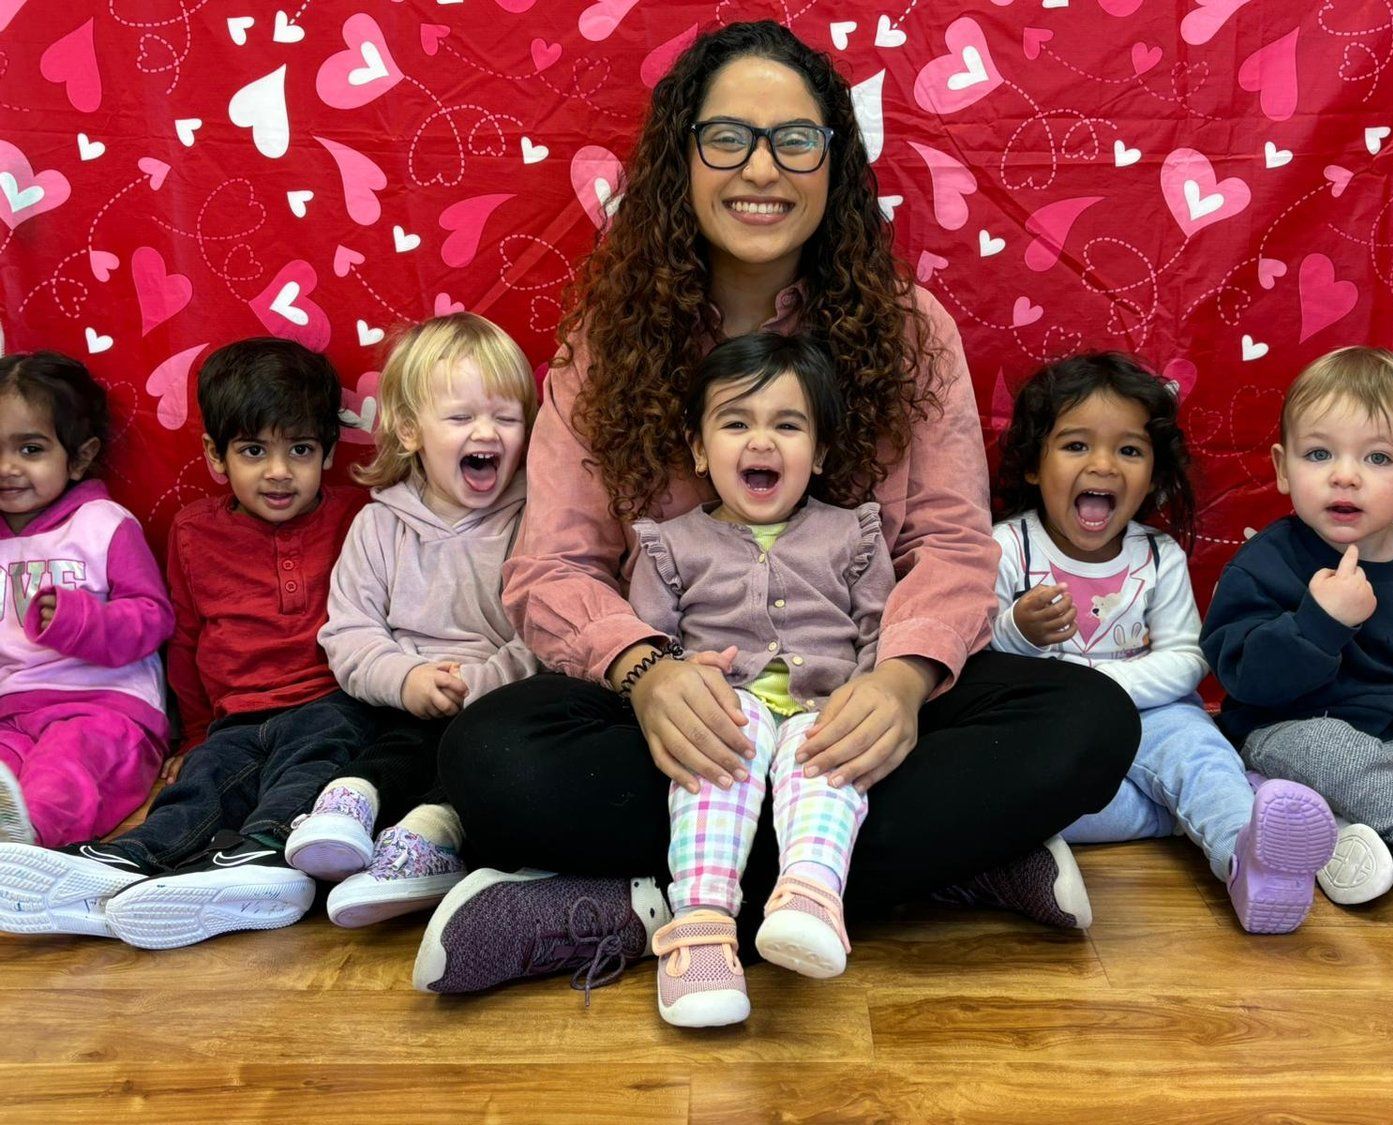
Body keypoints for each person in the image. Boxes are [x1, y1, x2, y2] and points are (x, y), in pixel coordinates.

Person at [412, 21, 1137, 999]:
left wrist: (905, 684)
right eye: (728, 139)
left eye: (796, 140)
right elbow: (552, 568)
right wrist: (645, 673)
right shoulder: (607, 344)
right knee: (489, 763)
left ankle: (652, 906)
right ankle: (936, 874)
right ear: (683, 159)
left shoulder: (909, 330)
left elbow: (952, 542)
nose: (763, 167)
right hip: (688, 723)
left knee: (1087, 722)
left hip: (852, 705)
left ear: (834, 163)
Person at [0, 338, 375, 947]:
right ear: (216, 455)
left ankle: (263, 857)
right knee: (200, 785)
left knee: (305, 772)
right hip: (234, 717)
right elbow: (188, 639)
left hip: (328, 704)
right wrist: (196, 733)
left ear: (328, 453)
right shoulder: (193, 531)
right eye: (254, 451)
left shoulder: (359, 516)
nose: (278, 473)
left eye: (300, 450)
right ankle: (125, 864)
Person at [990, 354, 1337, 933]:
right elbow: (976, 662)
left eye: (1129, 450)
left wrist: (1105, 686)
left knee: (1194, 751)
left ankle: (1248, 860)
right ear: (1032, 465)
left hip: (1151, 712)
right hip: (1046, 719)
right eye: (1076, 445)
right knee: (1024, 795)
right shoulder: (1006, 548)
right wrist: (1018, 633)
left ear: (1152, 475)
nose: (1104, 464)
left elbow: (1186, 656)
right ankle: (1199, 808)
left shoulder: (1158, 556)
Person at [631, 332, 892, 1026]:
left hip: (822, 708)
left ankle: (809, 894)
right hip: (729, 710)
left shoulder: (853, 535)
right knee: (721, 745)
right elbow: (647, 645)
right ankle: (703, 928)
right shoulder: (670, 544)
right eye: (736, 422)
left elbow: (880, 633)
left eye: (788, 424)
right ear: (697, 447)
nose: (762, 442)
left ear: (822, 451)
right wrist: (679, 672)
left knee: (828, 756)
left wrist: (873, 689)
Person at [1202, 346, 1393, 912]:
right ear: (1283, 468)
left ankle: (1376, 848)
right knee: (1328, 748)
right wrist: (1321, 623)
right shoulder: (1266, 562)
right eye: (1318, 453)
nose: (1345, 475)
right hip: (1296, 731)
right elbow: (1242, 675)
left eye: (1379, 459)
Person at [284, 312, 538, 927]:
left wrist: (479, 684)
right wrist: (406, 680)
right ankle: (350, 806)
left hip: (498, 699)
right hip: (401, 697)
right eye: (460, 418)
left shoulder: (536, 520)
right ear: (408, 430)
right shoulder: (379, 526)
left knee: (482, 754)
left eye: (507, 418)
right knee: (371, 737)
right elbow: (349, 632)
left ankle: (431, 837)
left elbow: (548, 630)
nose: (488, 433)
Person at [0, 352, 172, 848]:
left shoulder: (103, 525)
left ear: (78, 457)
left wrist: (81, 620)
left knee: (64, 766)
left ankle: (30, 845)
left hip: (106, 711)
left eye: (30, 449)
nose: (8, 468)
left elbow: (153, 617)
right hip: (14, 712)